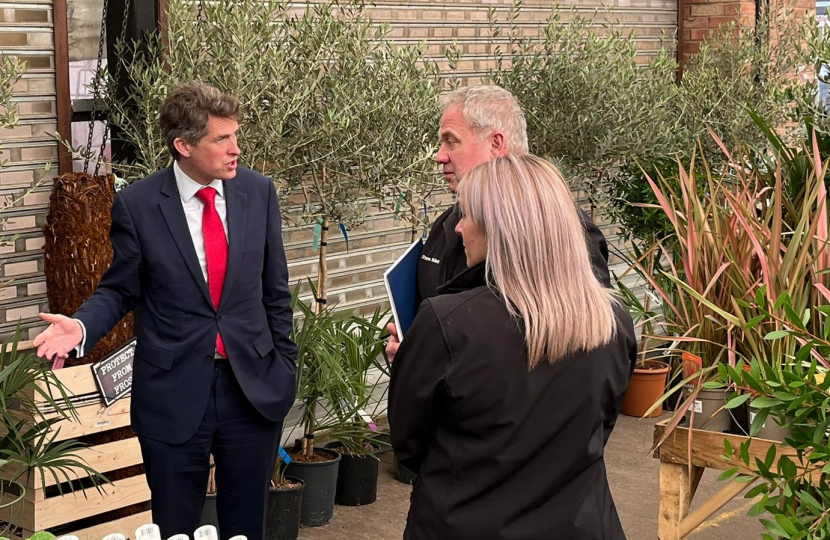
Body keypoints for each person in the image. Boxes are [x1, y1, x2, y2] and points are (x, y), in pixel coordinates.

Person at [32, 82, 297, 540]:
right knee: (175, 529)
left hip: (252, 389)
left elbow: (275, 292)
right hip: (173, 394)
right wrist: (79, 327)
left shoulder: (258, 192)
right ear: (184, 145)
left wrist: (285, 367)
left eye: (236, 136)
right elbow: (119, 290)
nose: (237, 149)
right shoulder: (138, 204)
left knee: (246, 527)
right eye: (223, 139)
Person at [388, 154, 637, 540]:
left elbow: (409, 444)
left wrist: (410, 361)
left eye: (466, 215)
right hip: (582, 524)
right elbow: (598, 428)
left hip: (464, 523)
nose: (457, 228)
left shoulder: (447, 323)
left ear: (501, 228)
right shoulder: (612, 320)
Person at [386, 85, 610, 360]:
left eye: (451, 141)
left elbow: (582, 346)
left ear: (495, 144)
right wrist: (413, 349)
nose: (439, 156)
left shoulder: (566, 232)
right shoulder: (446, 226)